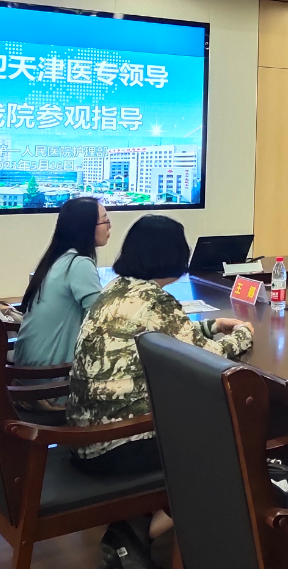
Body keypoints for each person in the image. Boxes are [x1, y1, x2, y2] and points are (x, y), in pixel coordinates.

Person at [67, 215, 254, 540]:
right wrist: (243, 334)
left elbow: (164, 331)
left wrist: (212, 325)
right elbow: (211, 357)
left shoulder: (117, 288)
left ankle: (149, 517)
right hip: (118, 445)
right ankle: (150, 526)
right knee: (227, 436)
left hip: (83, 437)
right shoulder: (156, 300)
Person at [12, 197, 110, 380]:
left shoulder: (57, 259)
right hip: (50, 380)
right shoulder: (79, 264)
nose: (109, 227)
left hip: (28, 372)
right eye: (105, 221)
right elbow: (101, 321)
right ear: (86, 227)